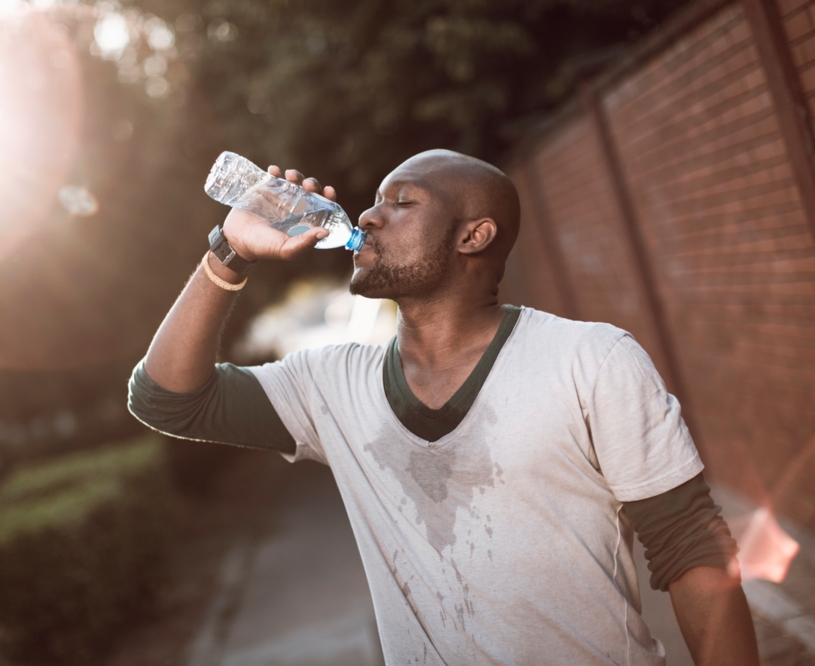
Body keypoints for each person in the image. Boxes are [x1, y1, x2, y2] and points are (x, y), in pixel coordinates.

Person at [128, 149, 760, 665]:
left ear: (473, 235)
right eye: (375, 202)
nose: (369, 218)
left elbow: (691, 550)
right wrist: (228, 252)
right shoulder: (330, 385)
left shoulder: (590, 360)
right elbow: (166, 400)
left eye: (401, 203)